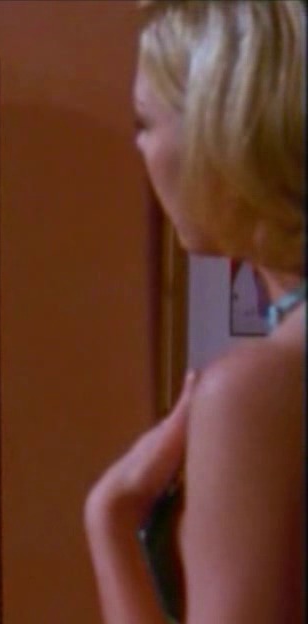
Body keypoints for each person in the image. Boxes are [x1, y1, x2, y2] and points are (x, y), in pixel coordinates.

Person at [84, 2, 305, 623]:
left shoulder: (260, 389)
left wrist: (111, 519)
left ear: (223, 135)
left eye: (144, 121)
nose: (139, 146)